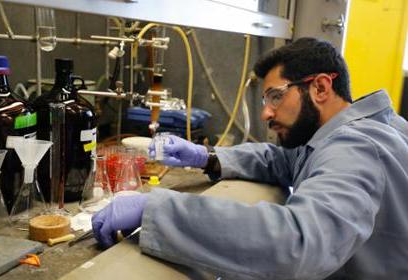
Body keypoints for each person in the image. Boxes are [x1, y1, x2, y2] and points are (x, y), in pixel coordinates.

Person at [92, 37, 408, 279]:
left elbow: (296, 243)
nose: (266, 112)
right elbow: (281, 159)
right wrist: (207, 157)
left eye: (275, 96)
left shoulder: (356, 147)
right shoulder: (339, 135)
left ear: (321, 88)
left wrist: (158, 210)